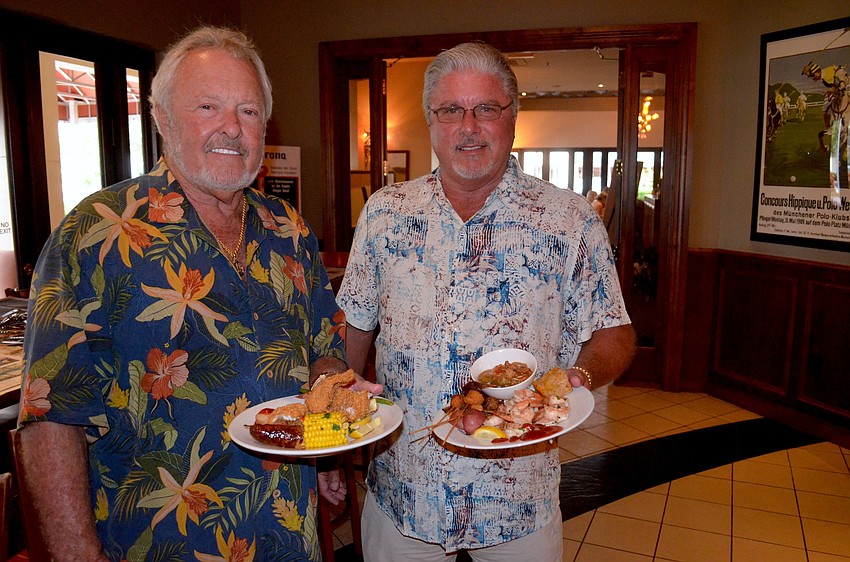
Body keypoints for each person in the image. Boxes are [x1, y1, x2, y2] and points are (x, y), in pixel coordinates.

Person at [16, 26, 371, 561]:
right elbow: (49, 418)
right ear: (161, 118)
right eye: (208, 106)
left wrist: (328, 427)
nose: (231, 127)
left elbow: (323, 348)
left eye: (249, 111)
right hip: (159, 544)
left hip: (287, 536)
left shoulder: (289, 231)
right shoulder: (96, 232)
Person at [337, 42, 636, 561]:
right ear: (432, 121)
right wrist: (337, 442)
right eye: (451, 110)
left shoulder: (567, 220)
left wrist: (576, 378)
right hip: (405, 493)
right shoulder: (384, 215)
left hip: (518, 498)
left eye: (486, 109)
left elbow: (616, 332)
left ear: (512, 118)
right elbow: (356, 327)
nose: (468, 126)